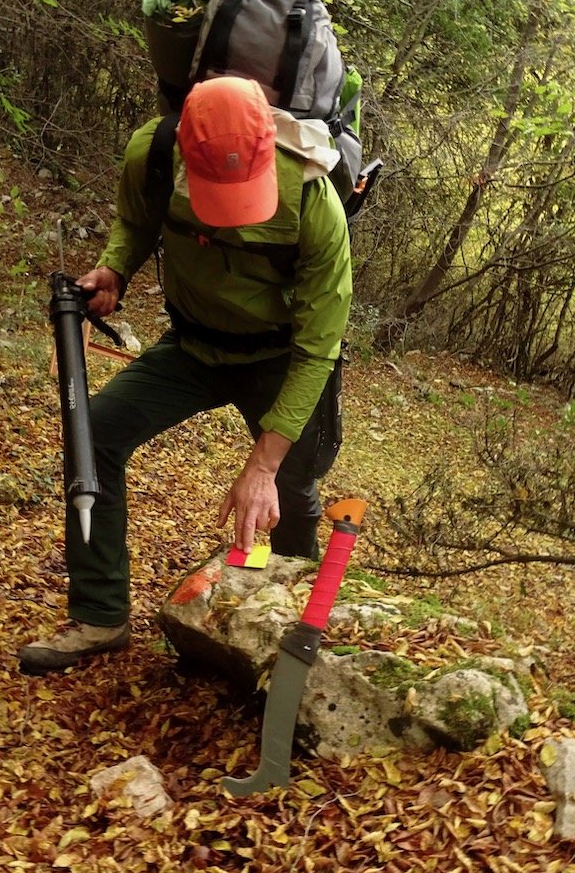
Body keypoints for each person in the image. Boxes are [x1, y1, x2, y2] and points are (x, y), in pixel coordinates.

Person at [19, 75, 353, 675]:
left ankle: (291, 640)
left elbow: (318, 347)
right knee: (92, 436)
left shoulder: (312, 200)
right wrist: (115, 269)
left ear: (265, 142)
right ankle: (99, 616)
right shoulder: (152, 155)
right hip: (192, 347)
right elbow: (136, 220)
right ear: (185, 152)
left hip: (282, 359)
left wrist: (262, 466)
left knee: (292, 499)